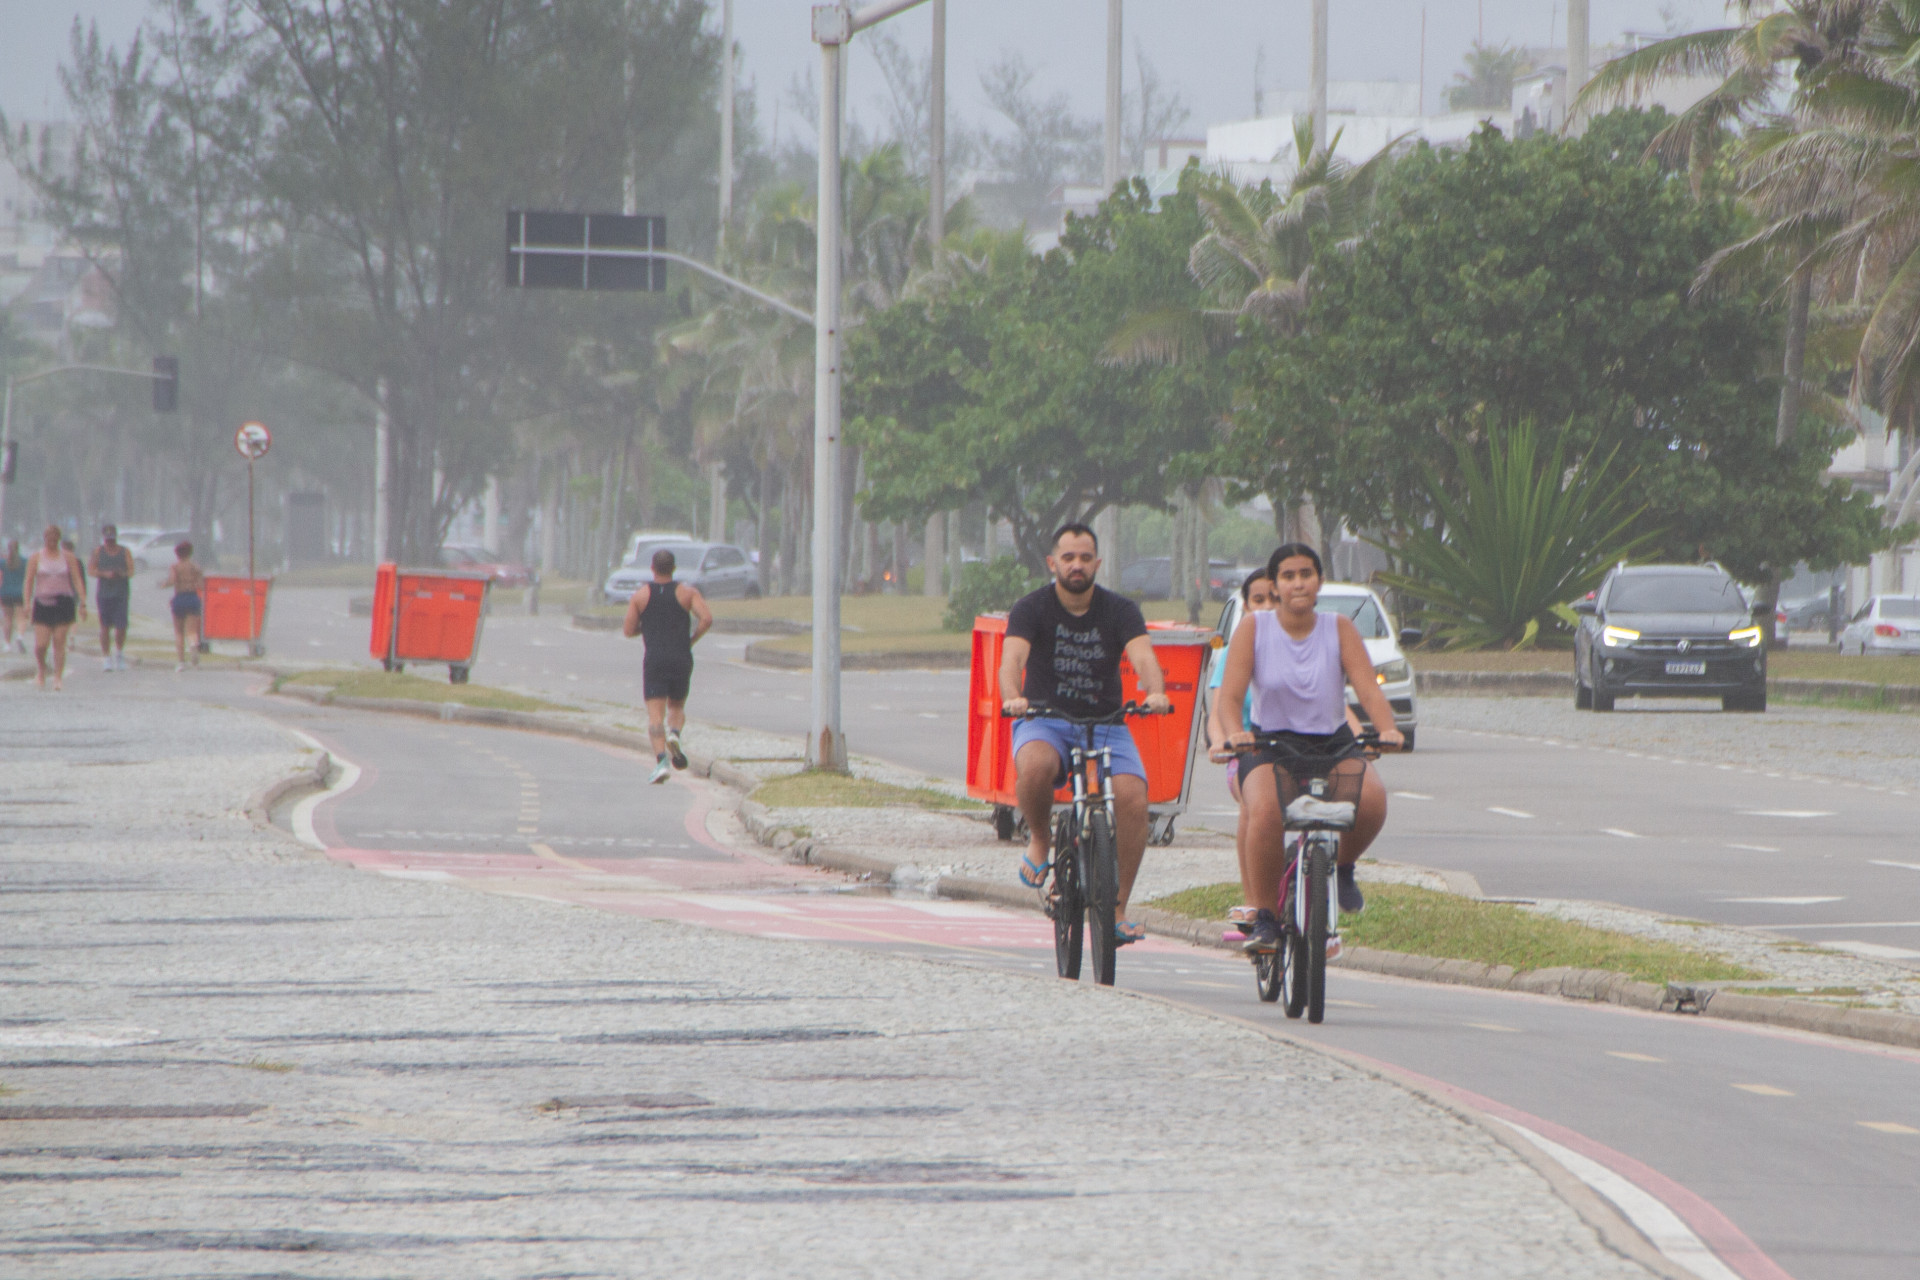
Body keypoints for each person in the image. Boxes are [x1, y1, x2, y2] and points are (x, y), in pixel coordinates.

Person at [1214, 542, 1404, 957]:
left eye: (1306, 574)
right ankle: (1265, 919)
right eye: (1288, 575)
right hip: (1270, 743)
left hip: (1332, 741)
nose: (1298, 583)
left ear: (1319, 581)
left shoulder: (1338, 627)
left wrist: (1387, 728)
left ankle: (1340, 868)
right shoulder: (1255, 628)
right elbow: (1229, 699)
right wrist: (1234, 734)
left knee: (1371, 800)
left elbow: (1368, 690)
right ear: (1275, 585)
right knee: (1265, 812)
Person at [999, 523, 1172, 946]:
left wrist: (1156, 692)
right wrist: (1013, 697)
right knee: (1035, 766)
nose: (1077, 565)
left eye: (1085, 557)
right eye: (1068, 557)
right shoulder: (1031, 608)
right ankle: (1040, 840)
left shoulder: (1120, 610)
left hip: (1107, 724)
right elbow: (1010, 662)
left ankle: (1117, 909)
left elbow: (1143, 656)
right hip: (1044, 718)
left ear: (1098, 562)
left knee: (1133, 799)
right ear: (1052, 562)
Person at [622, 547, 713, 784]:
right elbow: (707, 619)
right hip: (681, 657)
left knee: (655, 716)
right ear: (673, 569)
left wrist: (650, 627)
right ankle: (675, 734)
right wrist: (691, 639)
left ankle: (662, 761)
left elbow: (628, 630)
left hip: (655, 659)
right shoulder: (687, 593)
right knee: (676, 707)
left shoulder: (640, 596)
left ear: (652, 568)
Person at [23, 525, 87, 690]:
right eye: (49, 540)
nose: (52, 543)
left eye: (55, 540)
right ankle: (42, 670)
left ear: (58, 540)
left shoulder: (68, 557)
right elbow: (29, 581)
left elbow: (77, 579)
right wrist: (27, 603)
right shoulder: (36, 558)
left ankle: (58, 676)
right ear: (44, 539)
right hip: (43, 603)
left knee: (59, 641)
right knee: (41, 645)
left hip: (63, 602)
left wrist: (83, 602)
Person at [90, 524, 134, 671]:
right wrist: (104, 574)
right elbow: (91, 570)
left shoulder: (124, 552)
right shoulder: (98, 552)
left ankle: (119, 654)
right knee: (105, 626)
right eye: (108, 540)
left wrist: (121, 573)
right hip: (104, 593)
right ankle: (107, 657)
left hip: (121, 592)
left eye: (112, 539)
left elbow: (131, 570)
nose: (110, 542)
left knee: (121, 626)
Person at [162, 541, 206, 672]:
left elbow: (172, 580)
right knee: (192, 630)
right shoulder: (195, 567)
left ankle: (181, 662)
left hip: (180, 597)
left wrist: (164, 584)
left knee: (179, 632)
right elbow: (201, 585)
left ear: (177, 554)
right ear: (190, 552)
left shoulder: (175, 566)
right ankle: (193, 644)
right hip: (192, 597)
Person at [1, 539, 25, 654]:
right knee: (20, 617)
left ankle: (7, 643)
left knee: (8, 618)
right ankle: (20, 636)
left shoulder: (4, 562)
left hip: (6, 592)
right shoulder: (25, 561)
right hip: (20, 592)